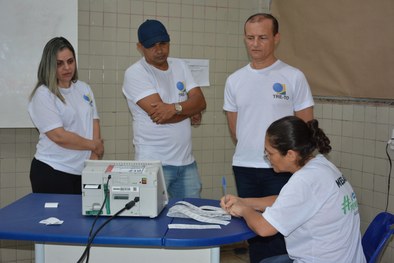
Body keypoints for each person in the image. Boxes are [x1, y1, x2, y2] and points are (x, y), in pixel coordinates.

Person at [223, 13, 315, 262]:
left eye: (262, 37)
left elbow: (306, 128)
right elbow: (236, 130)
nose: (255, 44)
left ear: (276, 38)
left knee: (281, 232)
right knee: (253, 231)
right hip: (245, 166)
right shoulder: (234, 80)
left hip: (282, 169)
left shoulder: (293, 76)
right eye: (250, 38)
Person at [221, 116, 366, 263]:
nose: (267, 158)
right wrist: (244, 201)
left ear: (290, 154)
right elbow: (286, 202)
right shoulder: (322, 165)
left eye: (270, 153)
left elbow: (264, 229)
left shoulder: (304, 181)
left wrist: (243, 210)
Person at [122, 19, 206, 199]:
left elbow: (201, 101)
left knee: (191, 216)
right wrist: (189, 109)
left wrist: (175, 108)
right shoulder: (135, 73)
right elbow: (161, 116)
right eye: (152, 45)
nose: (159, 50)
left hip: (186, 162)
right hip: (154, 164)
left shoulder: (180, 65)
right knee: (152, 222)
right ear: (140, 47)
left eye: (163, 43)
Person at [28, 37, 104, 194]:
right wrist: (93, 145)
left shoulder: (84, 88)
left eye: (70, 61)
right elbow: (59, 136)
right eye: (59, 64)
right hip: (53, 171)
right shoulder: (44, 94)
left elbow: (94, 121)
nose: (67, 68)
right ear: (49, 65)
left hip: (83, 171)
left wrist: (94, 158)